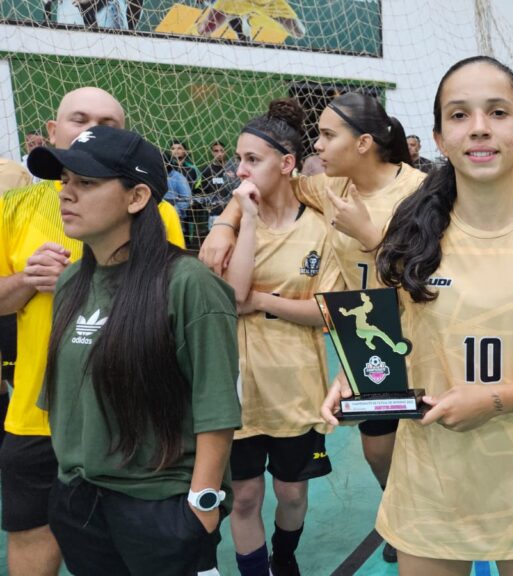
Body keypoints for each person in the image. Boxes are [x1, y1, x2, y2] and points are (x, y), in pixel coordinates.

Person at [322, 55, 513, 576]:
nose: (480, 127)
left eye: (498, 112)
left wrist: (495, 400)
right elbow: (386, 333)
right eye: (460, 115)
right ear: (440, 140)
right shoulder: (409, 230)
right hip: (431, 490)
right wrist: (352, 376)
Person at [201, 90, 426, 565]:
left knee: (431, 437)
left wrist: (371, 237)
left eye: (326, 135)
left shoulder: (420, 192)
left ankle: (424, 528)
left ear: (363, 142)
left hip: (421, 325)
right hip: (369, 331)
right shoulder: (330, 188)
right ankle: (400, 513)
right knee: (378, 448)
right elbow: (263, 184)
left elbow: (432, 271)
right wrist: (225, 222)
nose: (317, 146)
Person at [25, 124, 239, 574]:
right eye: (65, 180)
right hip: (79, 505)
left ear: (137, 197)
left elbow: (216, 405)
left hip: (160, 508)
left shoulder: (189, 284)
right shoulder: (70, 283)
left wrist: (200, 506)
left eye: (87, 182)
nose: (66, 193)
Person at [0, 87, 185, 576]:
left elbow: (173, 308)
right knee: (32, 536)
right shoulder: (13, 209)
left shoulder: (156, 213)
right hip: (37, 414)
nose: (91, 131)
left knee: (122, 549)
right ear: (53, 131)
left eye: (107, 124)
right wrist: (25, 280)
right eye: (79, 120)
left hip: (129, 418)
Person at [220, 99, 343, 576]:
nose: (240, 169)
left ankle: (284, 555)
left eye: (253, 159)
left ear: (287, 163)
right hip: (240, 390)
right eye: (239, 159)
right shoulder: (231, 228)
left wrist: (263, 300)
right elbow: (233, 296)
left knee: (291, 494)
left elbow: (327, 313)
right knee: (245, 496)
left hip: (296, 388)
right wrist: (245, 219)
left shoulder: (320, 228)